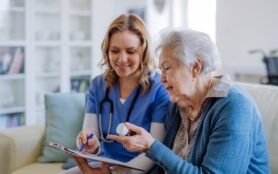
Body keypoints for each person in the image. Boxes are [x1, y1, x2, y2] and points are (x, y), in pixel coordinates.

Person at [108, 28, 271, 173]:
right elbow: (163, 167)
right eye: (160, 70)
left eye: (167, 68)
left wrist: (151, 146)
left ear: (195, 67)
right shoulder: (178, 105)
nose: (162, 79)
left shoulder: (235, 107)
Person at [62, 14, 170, 174]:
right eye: (115, 51)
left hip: (139, 169)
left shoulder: (158, 89)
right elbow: (92, 138)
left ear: (143, 51)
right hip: (103, 165)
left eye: (131, 51)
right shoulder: (98, 85)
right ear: (107, 50)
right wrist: (90, 144)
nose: (122, 59)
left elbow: (154, 151)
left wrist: (117, 173)